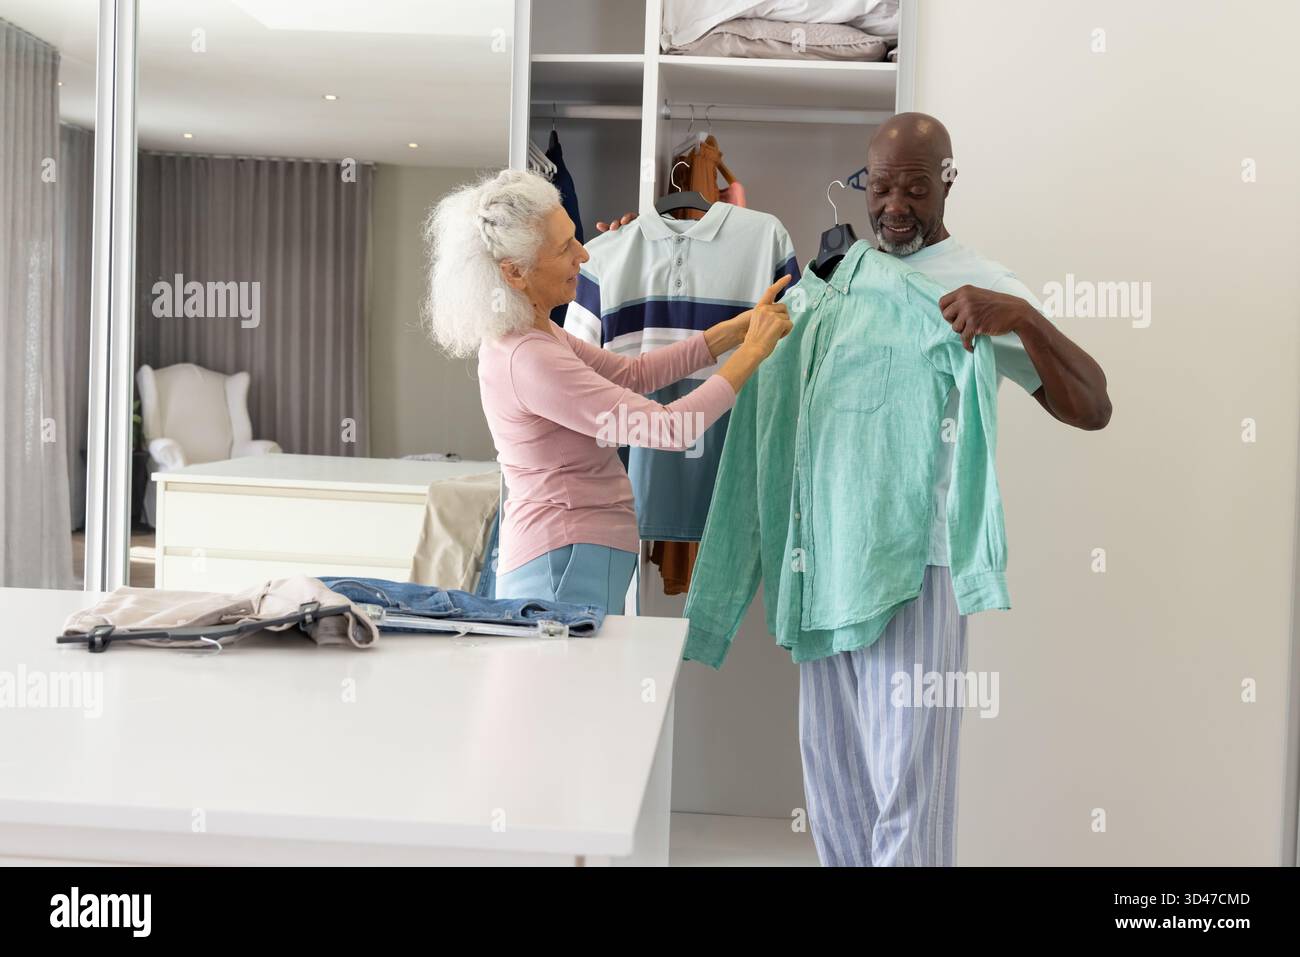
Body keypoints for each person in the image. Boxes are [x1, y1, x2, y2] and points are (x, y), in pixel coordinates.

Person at [600, 112, 1113, 866]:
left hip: (913, 568)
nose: (895, 205)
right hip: (818, 571)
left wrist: (1022, 316)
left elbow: (1094, 406)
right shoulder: (818, 293)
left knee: (909, 791)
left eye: (915, 186)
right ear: (860, 185)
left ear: (948, 182)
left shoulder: (977, 287)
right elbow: (755, 446)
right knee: (836, 793)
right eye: (881, 186)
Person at [423, 169, 792, 615]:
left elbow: (632, 374)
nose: (583, 254)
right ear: (514, 272)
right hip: (563, 560)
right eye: (564, 249)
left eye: (575, 239)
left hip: (575, 554)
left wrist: (730, 333)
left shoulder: (539, 336)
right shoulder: (530, 359)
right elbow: (670, 429)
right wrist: (752, 352)